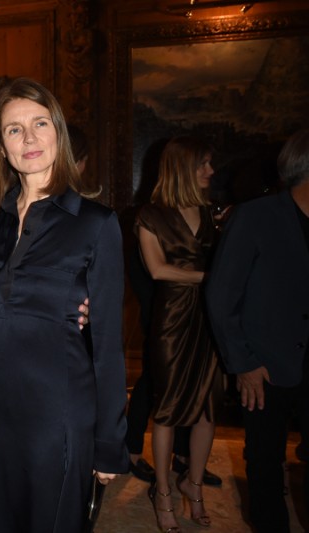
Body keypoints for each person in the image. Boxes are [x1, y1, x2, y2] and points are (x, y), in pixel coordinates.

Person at [0, 77, 128, 532]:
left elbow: (109, 346)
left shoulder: (97, 225)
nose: (29, 138)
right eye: (14, 129)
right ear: (0, 147)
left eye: (40, 123)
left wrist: (109, 443)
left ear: (58, 132)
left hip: (56, 418)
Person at [206, 129, 309, 533]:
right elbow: (220, 296)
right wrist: (243, 362)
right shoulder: (256, 216)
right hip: (264, 365)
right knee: (265, 462)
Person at [136, 136, 222, 532]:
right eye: (203, 164)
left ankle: (195, 484)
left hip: (208, 319)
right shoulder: (150, 216)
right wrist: (212, 279)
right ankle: (165, 490)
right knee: (168, 408)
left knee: (206, 407)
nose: (210, 171)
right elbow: (157, 270)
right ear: (183, 169)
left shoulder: (212, 214)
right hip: (171, 319)